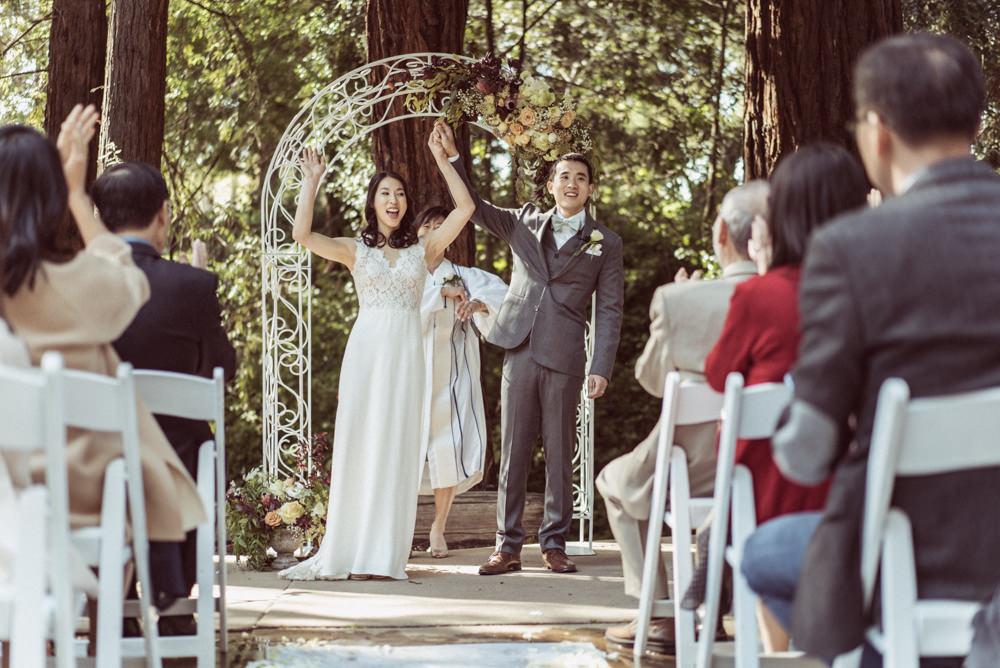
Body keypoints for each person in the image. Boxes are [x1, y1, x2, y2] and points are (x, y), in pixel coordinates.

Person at [741, 33, 1000, 667]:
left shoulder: (853, 249)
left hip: (905, 551)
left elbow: (805, 456)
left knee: (762, 555)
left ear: (877, 131)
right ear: (975, 120)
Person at [0, 106, 205, 550]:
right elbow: (128, 278)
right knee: (124, 470)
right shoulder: (69, 283)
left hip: (15, 491)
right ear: (50, 199)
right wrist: (77, 193)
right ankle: (119, 608)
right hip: (66, 492)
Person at [279, 125, 475, 581]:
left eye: (401, 194)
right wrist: (311, 182)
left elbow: (465, 208)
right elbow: (302, 235)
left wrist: (444, 160)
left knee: (397, 447)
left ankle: (383, 555)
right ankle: (350, 548)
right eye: (385, 193)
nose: (394, 200)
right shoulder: (355, 249)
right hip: (366, 356)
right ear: (373, 202)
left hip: (406, 359)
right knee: (361, 446)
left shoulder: (424, 250)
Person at [435, 122, 625, 576]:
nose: (571, 183)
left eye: (580, 178)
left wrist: (602, 365)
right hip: (518, 347)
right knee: (515, 449)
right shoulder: (521, 221)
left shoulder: (606, 243)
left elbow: (611, 308)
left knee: (560, 452)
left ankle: (554, 543)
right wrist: (454, 160)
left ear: (590, 188)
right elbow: (474, 207)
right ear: (550, 183)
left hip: (565, 356)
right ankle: (507, 546)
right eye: (564, 176)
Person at [703, 143, 868, 651]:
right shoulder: (868, 290)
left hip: (766, 488)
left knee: (744, 538)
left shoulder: (761, 293)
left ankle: (782, 651)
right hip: (855, 489)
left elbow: (717, 374)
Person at [599, 181, 765, 653]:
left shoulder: (679, 300)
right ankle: (710, 610)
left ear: (720, 234)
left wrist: (677, 298)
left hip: (684, 462)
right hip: (751, 465)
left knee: (617, 482)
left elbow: (652, 381)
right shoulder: (792, 296)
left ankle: (658, 614)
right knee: (713, 503)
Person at [91, 161, 237, 632]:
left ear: (99, 217)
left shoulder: (70, 284)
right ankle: (174, 604)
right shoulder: (192, 285)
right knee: (192, 441)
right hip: (176, 474)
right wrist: (198, 289)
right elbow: (222, 369)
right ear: (162, 215)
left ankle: (116, 601)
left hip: (92, 468)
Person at [415, 205, 508, 558]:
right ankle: (402, 527)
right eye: (430, 225)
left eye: (444, 225)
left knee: (449, 447)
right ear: (419, 232)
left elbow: (505, 296)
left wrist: (482, 305)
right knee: (406, 450)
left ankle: (439, 526)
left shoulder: (463, 275)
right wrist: (439, 296)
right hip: (413, 374)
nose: (438, 230)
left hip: (454, 378)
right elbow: (396, 313)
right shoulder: (406, 273)